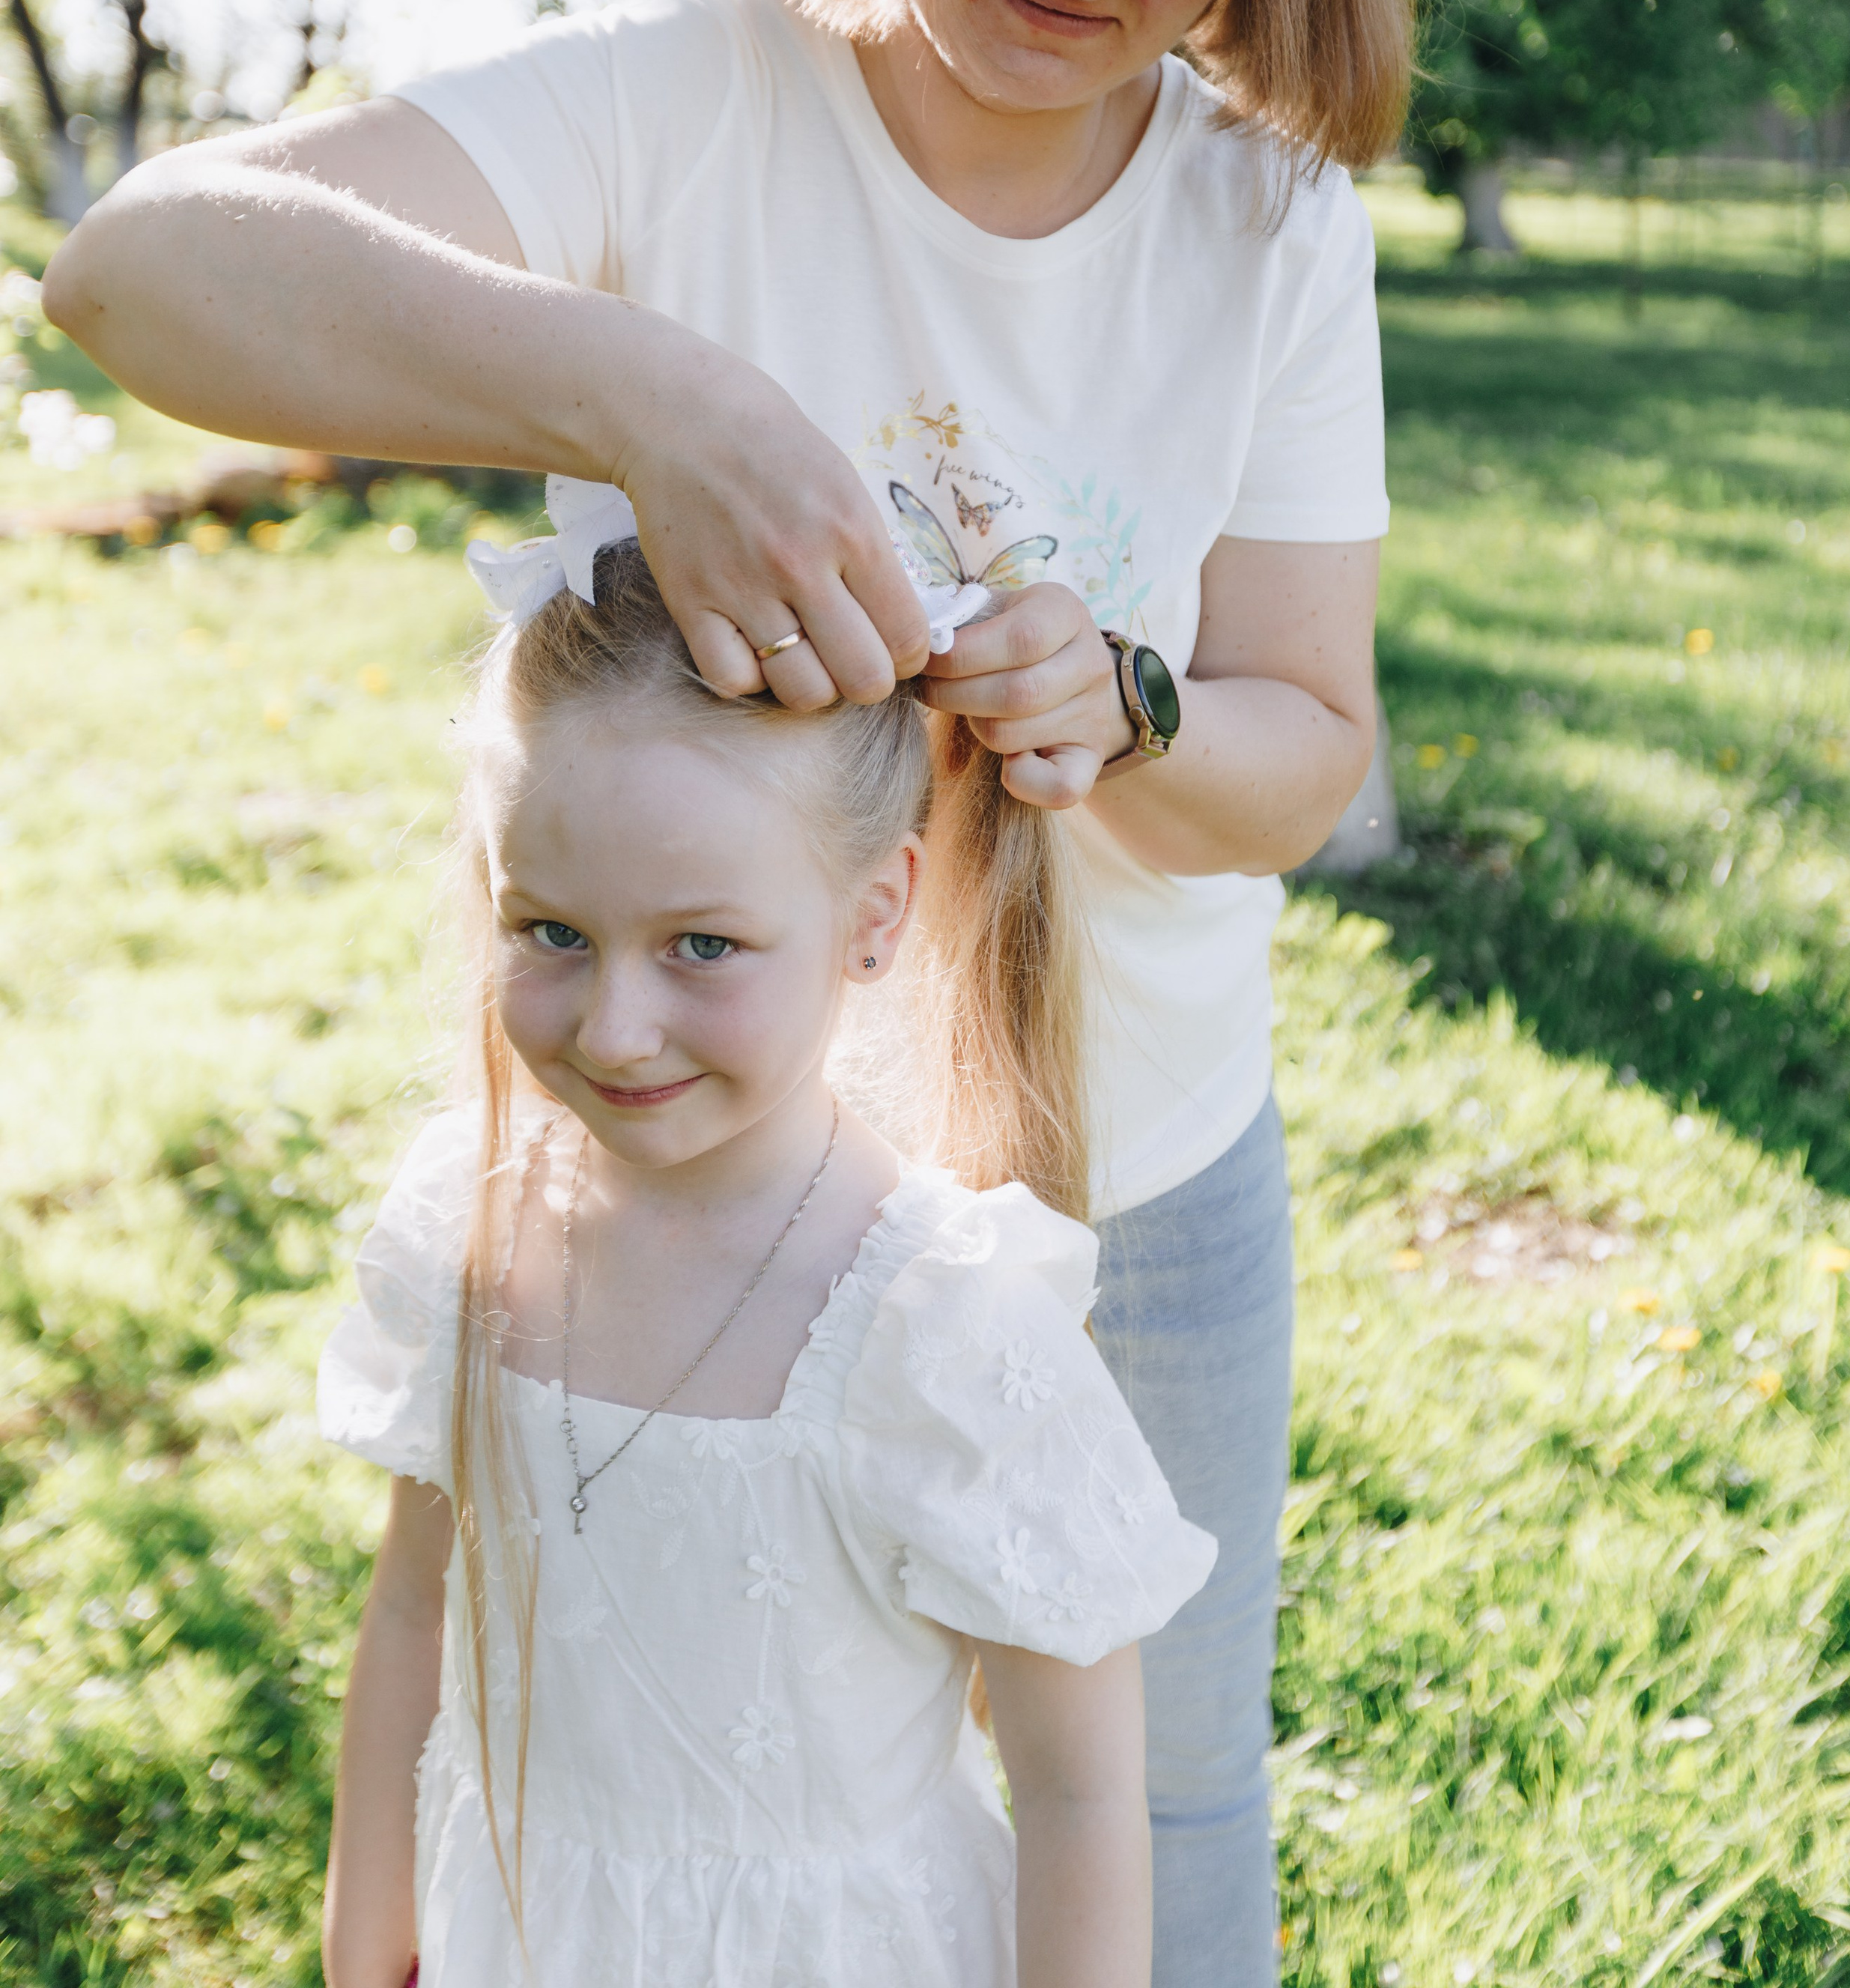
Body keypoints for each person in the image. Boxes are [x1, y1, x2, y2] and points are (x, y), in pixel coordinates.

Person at [48, 0, 1415, 1983]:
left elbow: (1305, 744)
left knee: (1159, 1807)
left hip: (1145, 1183)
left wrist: (1120, 723)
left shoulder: (1262, 228)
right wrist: (631, 400)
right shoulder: (693, 96)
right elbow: (138, 274)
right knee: (711, 1814)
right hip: (711, 1197)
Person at [319, 486, 1213, 1988]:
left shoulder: (943, 1324)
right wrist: (372, 1935)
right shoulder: (466, 1227)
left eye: (703, 946)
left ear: (873, 919)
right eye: (549, 931)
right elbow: (416, 1613)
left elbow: (1074, 1791)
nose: (615, 1024)